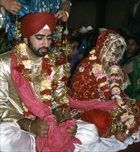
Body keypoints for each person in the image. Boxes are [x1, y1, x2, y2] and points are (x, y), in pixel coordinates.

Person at [0, 12, 133, 152]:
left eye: (49, 38)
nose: (45, 43)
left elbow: (60, 100)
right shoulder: (4, 63)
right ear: (26, 39)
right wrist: (29, 125)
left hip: (49, 127)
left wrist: (66, 122)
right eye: (39, 38)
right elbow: (1, 106)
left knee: (90, 132)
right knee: (2, 137)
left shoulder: (55, 63)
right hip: (21, 127)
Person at [69, 30, 140, 147]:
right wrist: (104, 105)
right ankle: (117, 131)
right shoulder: (86, 66)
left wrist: (119, 104)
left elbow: (119, 92)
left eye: (118, 51)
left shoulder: (115, 67)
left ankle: (125, 131)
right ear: (103, 47)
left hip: (112, 104)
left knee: (134, 108)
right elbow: (75, 101)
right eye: (112, 51)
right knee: (99, 120)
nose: (114, 55)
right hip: (90, 107)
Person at [121, 35, 140, 100]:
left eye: (133, 44)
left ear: (137, 47)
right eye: (128, 44)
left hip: (132, 96)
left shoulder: (135, 61)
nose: (130, 46)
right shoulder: (120, 59)